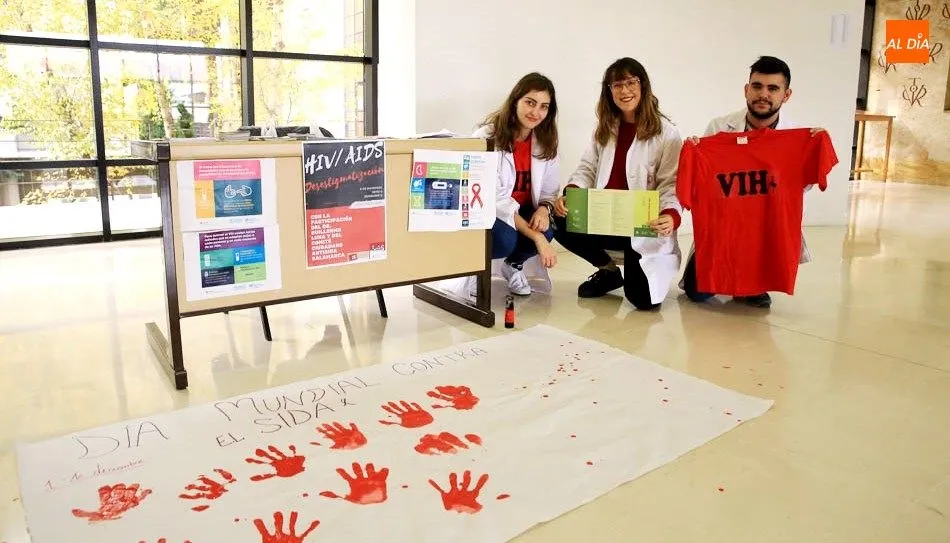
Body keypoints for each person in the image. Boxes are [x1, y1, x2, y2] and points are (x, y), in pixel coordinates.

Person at [680, 55, 825, 309]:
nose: (763, 94)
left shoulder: (796, 138)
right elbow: (702, 182)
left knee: (759, 255)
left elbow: (799, 186)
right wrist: (695, 150)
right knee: (697, 291)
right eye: (757, 86)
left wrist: (814, 148)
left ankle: (753, 283)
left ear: (786, 95)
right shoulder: (719, 128)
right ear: (746, 89)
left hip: (765, 227)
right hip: (724, 228)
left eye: (773, 88)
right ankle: (729, 275)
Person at [551, 57, 684, 310]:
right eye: (617, 85)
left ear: (643, 86)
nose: (625, 91)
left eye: (631, 82)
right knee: (557, 218)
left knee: (643, 302)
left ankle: (634, 273)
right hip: (605, 219)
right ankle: (609, 271)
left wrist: (671, 215)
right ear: (609, 91)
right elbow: (587, 168)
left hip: (640, 228)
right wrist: (572, 193)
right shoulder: (605, 127)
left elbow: (671, 183)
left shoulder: (667, 133)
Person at [471, 72, 560, 296]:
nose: (536, 112)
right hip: (489, 211)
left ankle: (513, 265)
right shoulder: (486, 137)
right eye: (530, 102)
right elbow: (495, 199)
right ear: (515, 101)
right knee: (505, 239)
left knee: (546, 227)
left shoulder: (545, 141)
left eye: (544, 107)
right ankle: (475, 272)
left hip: (521, 210)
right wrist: (537, 239)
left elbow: (549, 190)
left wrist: (544, 209)